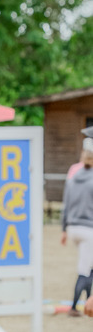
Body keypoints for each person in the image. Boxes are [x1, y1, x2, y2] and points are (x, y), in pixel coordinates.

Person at [60, 128, 93, 317]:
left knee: (89, 265)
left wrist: (64, 229)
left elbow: (65, 205)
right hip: (88, 229)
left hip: (73, 228)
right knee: (85, 270)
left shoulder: (73, 178)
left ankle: (87, 301)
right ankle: (74, 307)